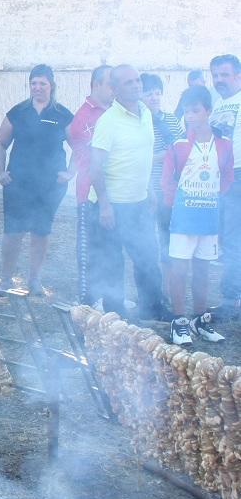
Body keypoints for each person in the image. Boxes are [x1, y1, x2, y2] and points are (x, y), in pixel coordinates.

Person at [90, 64, 165, 320]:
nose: (136, 85)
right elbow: (95, 167)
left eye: (137, 80)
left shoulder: (146, 113)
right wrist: (104, 205)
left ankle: (152, 309)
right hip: (112, 206)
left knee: (147, 257)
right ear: (114, 89)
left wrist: (150, 190)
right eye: (128, 82)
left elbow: (142, 157)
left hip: (139, 202)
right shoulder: (108, 121)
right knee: (112, 262)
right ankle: (116, 316)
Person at [0, 64, 74, 294]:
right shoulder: (18, 112)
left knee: (41, 232)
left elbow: (79, 146)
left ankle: (34, 280)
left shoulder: (62, 114)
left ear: (52, 85)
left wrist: (70, 172)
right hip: (18, 184)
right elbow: (0, 144)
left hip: (49, 186)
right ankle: (6, 279)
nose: (37, 87)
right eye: (34, 83)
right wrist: (0, 172)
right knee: (13, 232)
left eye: (42, 83)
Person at [162, 86, 233, 345]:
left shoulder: (224, 144)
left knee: (203, 270)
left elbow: (227, 176)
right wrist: (176, 205)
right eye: (186, 111)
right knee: (179, 269)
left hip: (208, 217)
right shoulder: (179, 145)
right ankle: (179, 321)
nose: (190, 116)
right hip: (184, 218)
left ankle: (200, 320)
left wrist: (214, 198)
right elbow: (166, 180)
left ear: (208, 111)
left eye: (195, 110)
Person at [68, 65, 114, 306]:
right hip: (89, 193)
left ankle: (108, 297)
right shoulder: (84, 116)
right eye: (110, 84)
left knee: (109, 248)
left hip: (110, 191)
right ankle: (88, 301)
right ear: (96, 85)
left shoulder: (114, 111)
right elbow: (87, 155)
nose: (115, 89)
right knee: (89, 249)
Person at [142, 73, 183, 305]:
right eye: (149, 93)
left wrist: (163, 156)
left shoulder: (171, 120)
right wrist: (162, 156)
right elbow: (138, 156)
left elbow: (181, 150)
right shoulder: (139, 121)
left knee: (167, 242)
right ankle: (151, 291)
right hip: (146, 190)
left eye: (157, 93)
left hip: (169, 191)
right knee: (147, 242)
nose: (154, 97)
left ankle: (166, 290)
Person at [210, 54, 241, 315]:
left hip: (238, 175)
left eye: (224, 74)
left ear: (238, 76)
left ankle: (231, 299)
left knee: (232, 238)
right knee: (226, 238)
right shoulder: (219, 104)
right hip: (221, 178)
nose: (219, 79)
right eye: (215, 75)